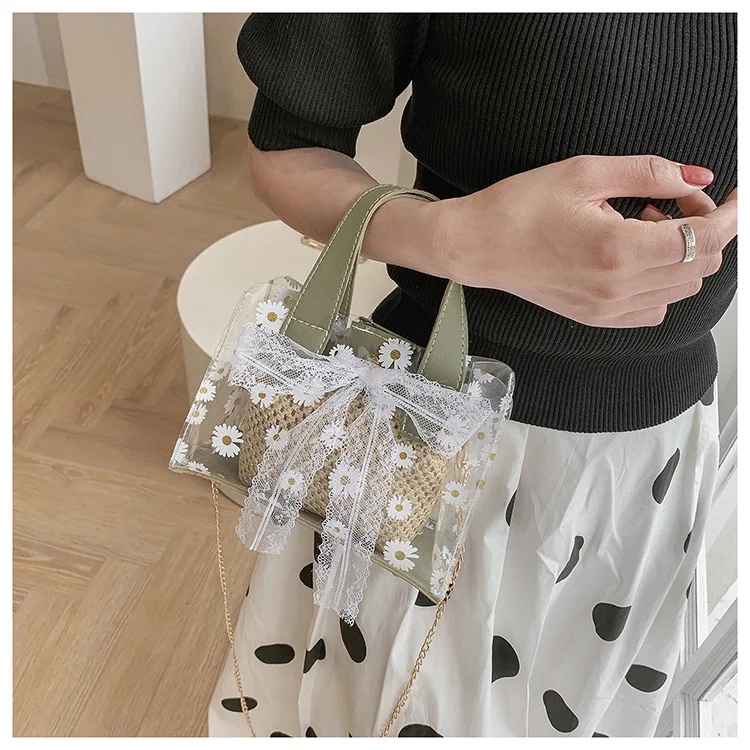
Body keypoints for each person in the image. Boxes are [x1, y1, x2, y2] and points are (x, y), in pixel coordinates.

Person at [208, 13, 737, 737]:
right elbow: (288, 146)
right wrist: (454, 240)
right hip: (423, 431)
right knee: (376, 704)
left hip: (657, 457)